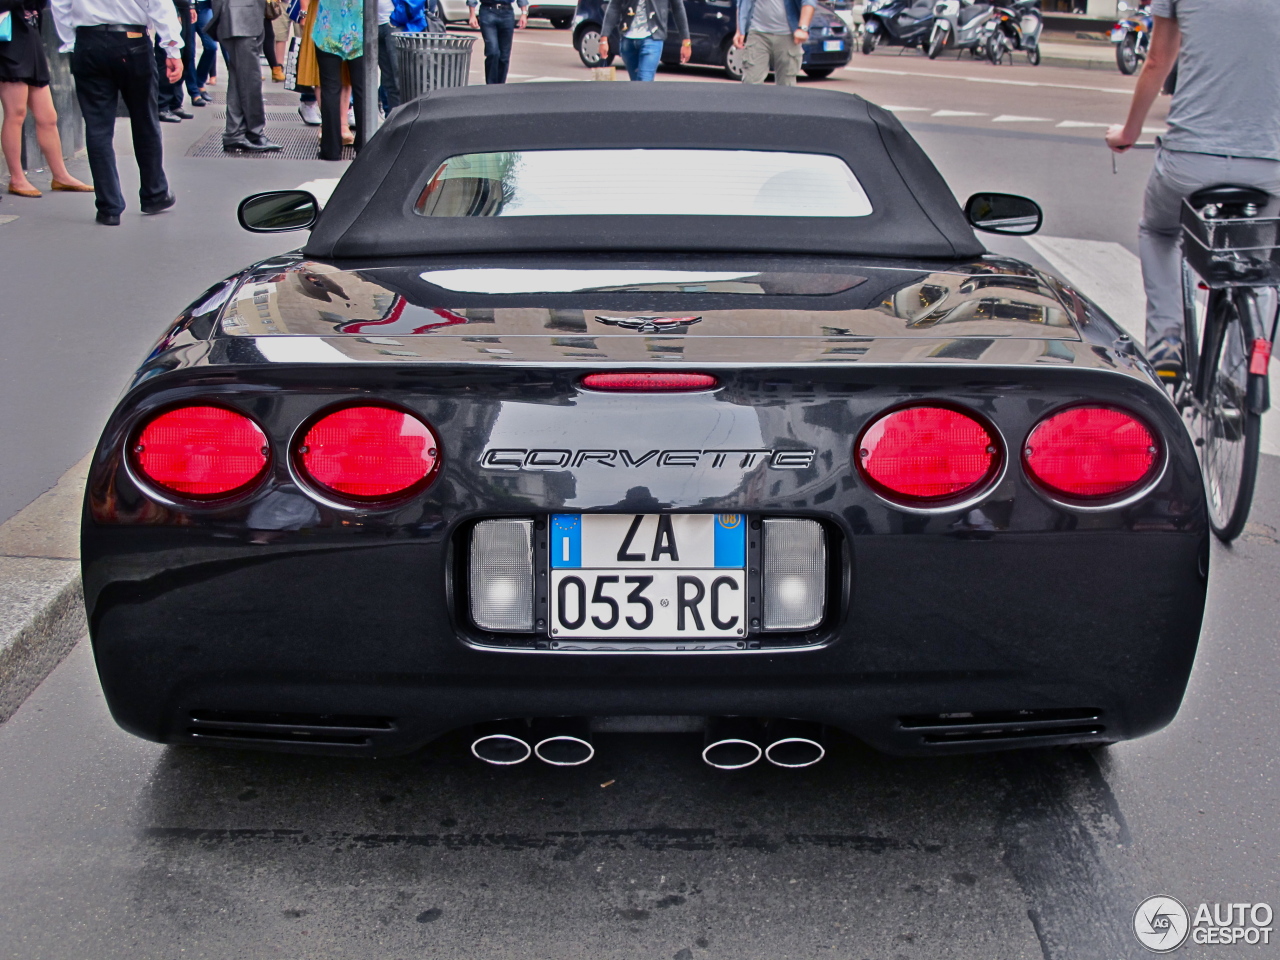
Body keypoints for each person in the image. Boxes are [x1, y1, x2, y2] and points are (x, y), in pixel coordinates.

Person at [1106, 0, 1280, 379]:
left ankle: (1167, 336)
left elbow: (1157, 62)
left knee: (1158, 230)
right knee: (1259, 264)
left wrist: (1128, 134)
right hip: (1272, 166)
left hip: (1191, 161)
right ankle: (1241, 375)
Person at [50, 0, 183, 224]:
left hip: (88, 41)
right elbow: (159, 4)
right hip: (132, 40)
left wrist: (71, 42)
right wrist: (172, 48)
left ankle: (109, 206)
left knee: (97, 127)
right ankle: (154, 193)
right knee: (145, 121)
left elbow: (60, 3)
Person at [1, 0, 94, 197]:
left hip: (30, 37)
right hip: (9, 40)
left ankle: (60, 175)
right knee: (16, 112)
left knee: (48, 116)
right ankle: (16, 177)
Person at [211, 0, 282, 150]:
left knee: (241, 78)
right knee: (249, 79)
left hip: (242, 16)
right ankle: (252, 132)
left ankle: (236, 132)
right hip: (240, 16)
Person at [312, 0, 366, 159]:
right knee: (362, 89)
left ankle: (331, 149)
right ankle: (364, 146)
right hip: (359, 28)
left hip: (329, 27)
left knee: (330, 89)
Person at [599, 0, 690, 81]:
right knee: (635, 83)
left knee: (644, 82)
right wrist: (604, 39)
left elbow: (678, 8)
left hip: (652, 39)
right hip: (627, 40)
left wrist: (686, 42)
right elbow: (614, 6)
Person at [733, 0, 813, 86]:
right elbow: (743, 3)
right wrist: (739, 30)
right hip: (758, 33)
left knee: (786, 86)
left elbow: (809, 2)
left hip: (787, 35)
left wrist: (803, 28)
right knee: (751, 82)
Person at [466, 0, 525, 86]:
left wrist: (524, 13)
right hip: (488, 11)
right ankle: (491, 85)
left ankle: (500, 86)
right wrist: (472, 15)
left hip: (507, 12)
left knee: (504, 56)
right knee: (493, 52)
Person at [156, 0, 194, 121]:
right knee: (167, 56)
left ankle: (175, 103)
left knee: (186, 55)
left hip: (184, 7)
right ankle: (162, 105)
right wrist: (175, 12)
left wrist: (191, 6)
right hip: (171, 8)